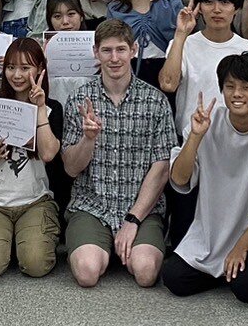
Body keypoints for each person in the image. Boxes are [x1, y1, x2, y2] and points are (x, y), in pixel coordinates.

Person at [161, 54, 248, 302]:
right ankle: (224, 271)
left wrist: (241, 247)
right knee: (174, 279)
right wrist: (196, 136)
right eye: (230, 86)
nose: (236, 94)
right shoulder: (208, 122)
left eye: (247, 87)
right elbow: (179, 179)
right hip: (209, 235)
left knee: (247, 288)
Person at [60, 20, 177, 288]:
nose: (114, 58)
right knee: (87, 273)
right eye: (107, 50)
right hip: (92, 205)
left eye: (121, 50)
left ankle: (127, 246)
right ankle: (100, 247)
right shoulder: (79, 99)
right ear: (96, 52)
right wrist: (88, 140)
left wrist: (133, 219)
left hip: (141, 208)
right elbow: (70, 168)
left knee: (146, 272)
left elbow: (162, 168)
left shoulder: (155, 101)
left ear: (133, 50)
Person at [0, 39, 62, 279]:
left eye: (25, 68)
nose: (17, 75)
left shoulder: (52, 107)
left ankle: (21, 239)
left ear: (40, 69)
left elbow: (49, 154)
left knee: (36, 264)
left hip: (35, 201)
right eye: (11, 67)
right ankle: (6, 239)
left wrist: (39, 109)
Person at [159, 0, 248, 138]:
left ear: (236, 8)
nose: (216, 9)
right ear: (199, 7)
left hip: (239, 137)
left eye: (225, 2)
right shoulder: (182, 44)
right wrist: (180, 34)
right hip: (191, 136)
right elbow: (168, 84)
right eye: (209, 2)